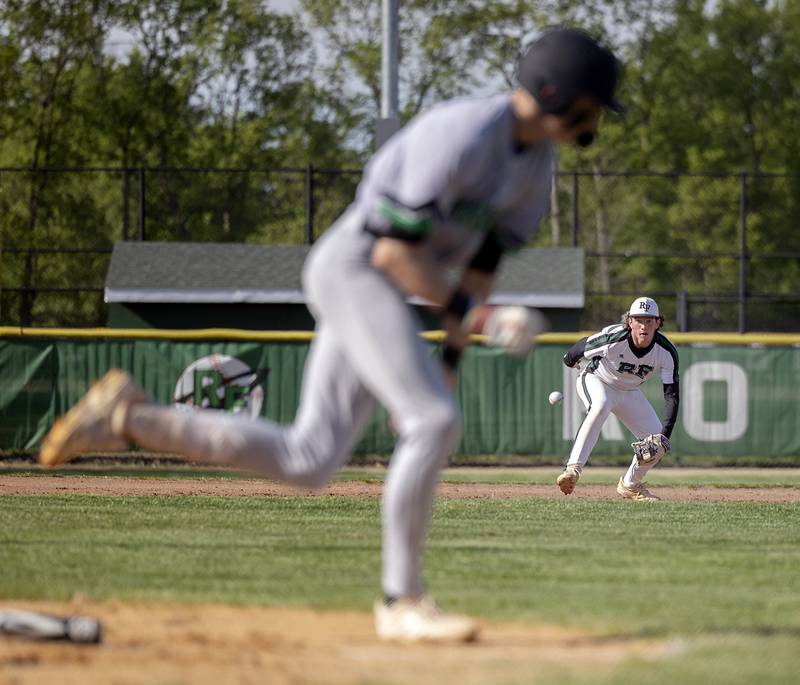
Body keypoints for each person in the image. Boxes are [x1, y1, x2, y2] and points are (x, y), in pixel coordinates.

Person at [39, 27, 623, 642]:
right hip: (355, 269)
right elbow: (394, 255)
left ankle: (132, 418)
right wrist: (480, 320)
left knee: (309, 460)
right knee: (434, 422)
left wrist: (451, 358)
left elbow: (478, 269)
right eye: (593, 106)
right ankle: (403, 600)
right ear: (555, 93)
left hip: (385, 286)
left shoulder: (536, 166)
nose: (597, 121)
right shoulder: (463, 134)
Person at [556, 296, 680, 501]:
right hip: (598, 379)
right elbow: (580, 347)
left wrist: (664, 436)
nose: (643, 326)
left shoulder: (666, 351)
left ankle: (631, 485)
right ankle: (572, 470)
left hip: (629, 391)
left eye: (649, 320)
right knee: (601, 405)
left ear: (658, 323)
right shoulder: (615, 338)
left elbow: (672, 396)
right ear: (629, 321)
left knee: (657, 440)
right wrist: (571, 360)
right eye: (639, 320)